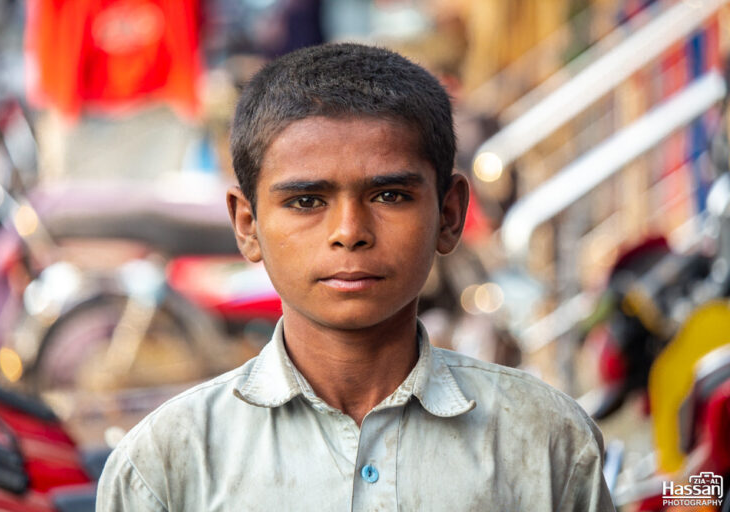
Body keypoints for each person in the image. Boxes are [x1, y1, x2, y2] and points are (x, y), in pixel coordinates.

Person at [96, 43, 615, 511]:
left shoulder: (547, 440)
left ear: (450, 215)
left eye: (390, 195)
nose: (349, 232)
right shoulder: (165, 465)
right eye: (306, 201)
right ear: (247, 225)